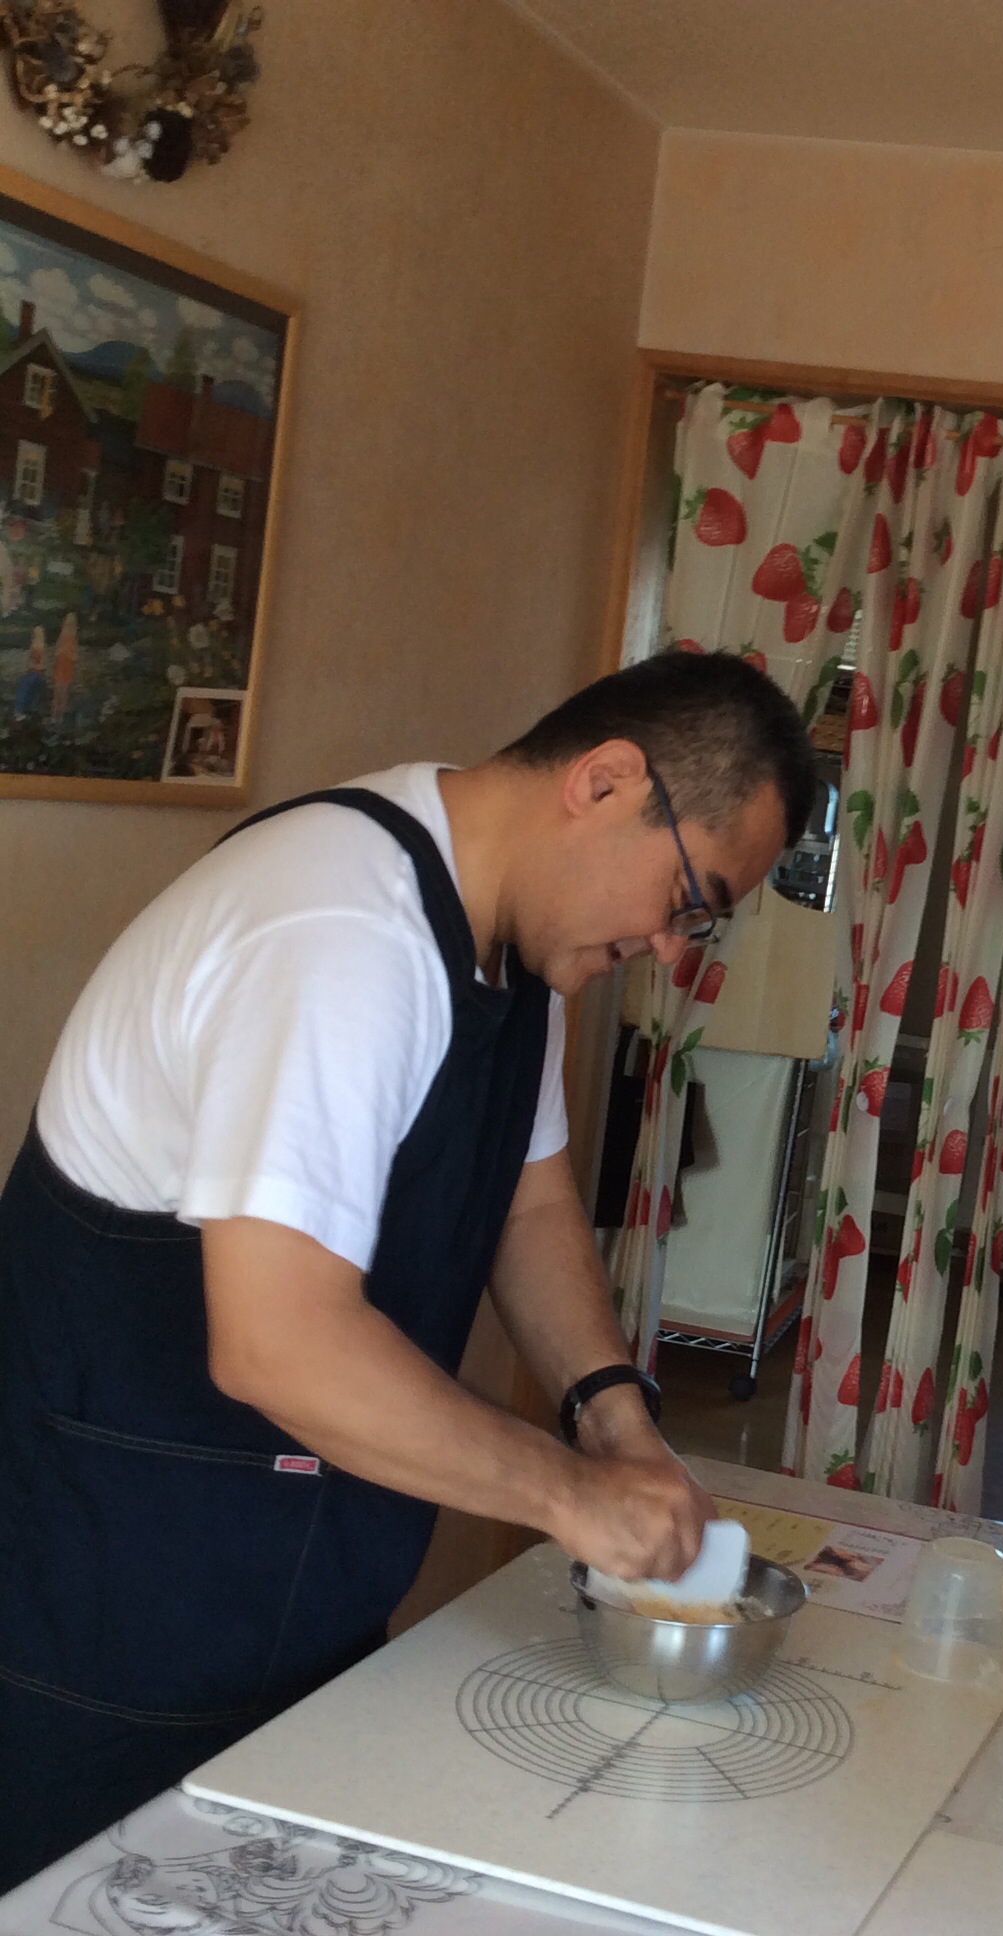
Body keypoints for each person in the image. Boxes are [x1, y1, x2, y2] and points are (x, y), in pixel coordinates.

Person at [0, 649, 816, 1891]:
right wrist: (572, 1497)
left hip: (300, 1582)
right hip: (109, 1601)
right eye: (686, 897)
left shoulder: (513, 947)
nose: (668, 945)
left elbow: (528, 1202)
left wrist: (616, 1423)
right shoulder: (339, 930)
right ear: (604, 782)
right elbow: (277, 1342)